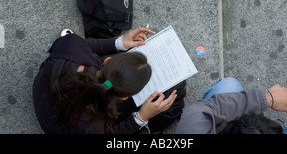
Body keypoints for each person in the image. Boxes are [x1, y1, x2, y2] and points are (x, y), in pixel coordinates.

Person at [32, 28, 186, 134]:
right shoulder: (94, 125)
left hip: (43, 95)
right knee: (177, 90)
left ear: (107, 62)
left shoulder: (72, 46)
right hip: (58, 128)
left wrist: (118, 43)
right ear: (124, 97)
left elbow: (84, 46)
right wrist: (140, 118)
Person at [175, 77, 287, 134]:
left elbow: (218, 105)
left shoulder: (193, 124)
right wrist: (269, 98)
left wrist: (267, 98)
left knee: (229, 85)